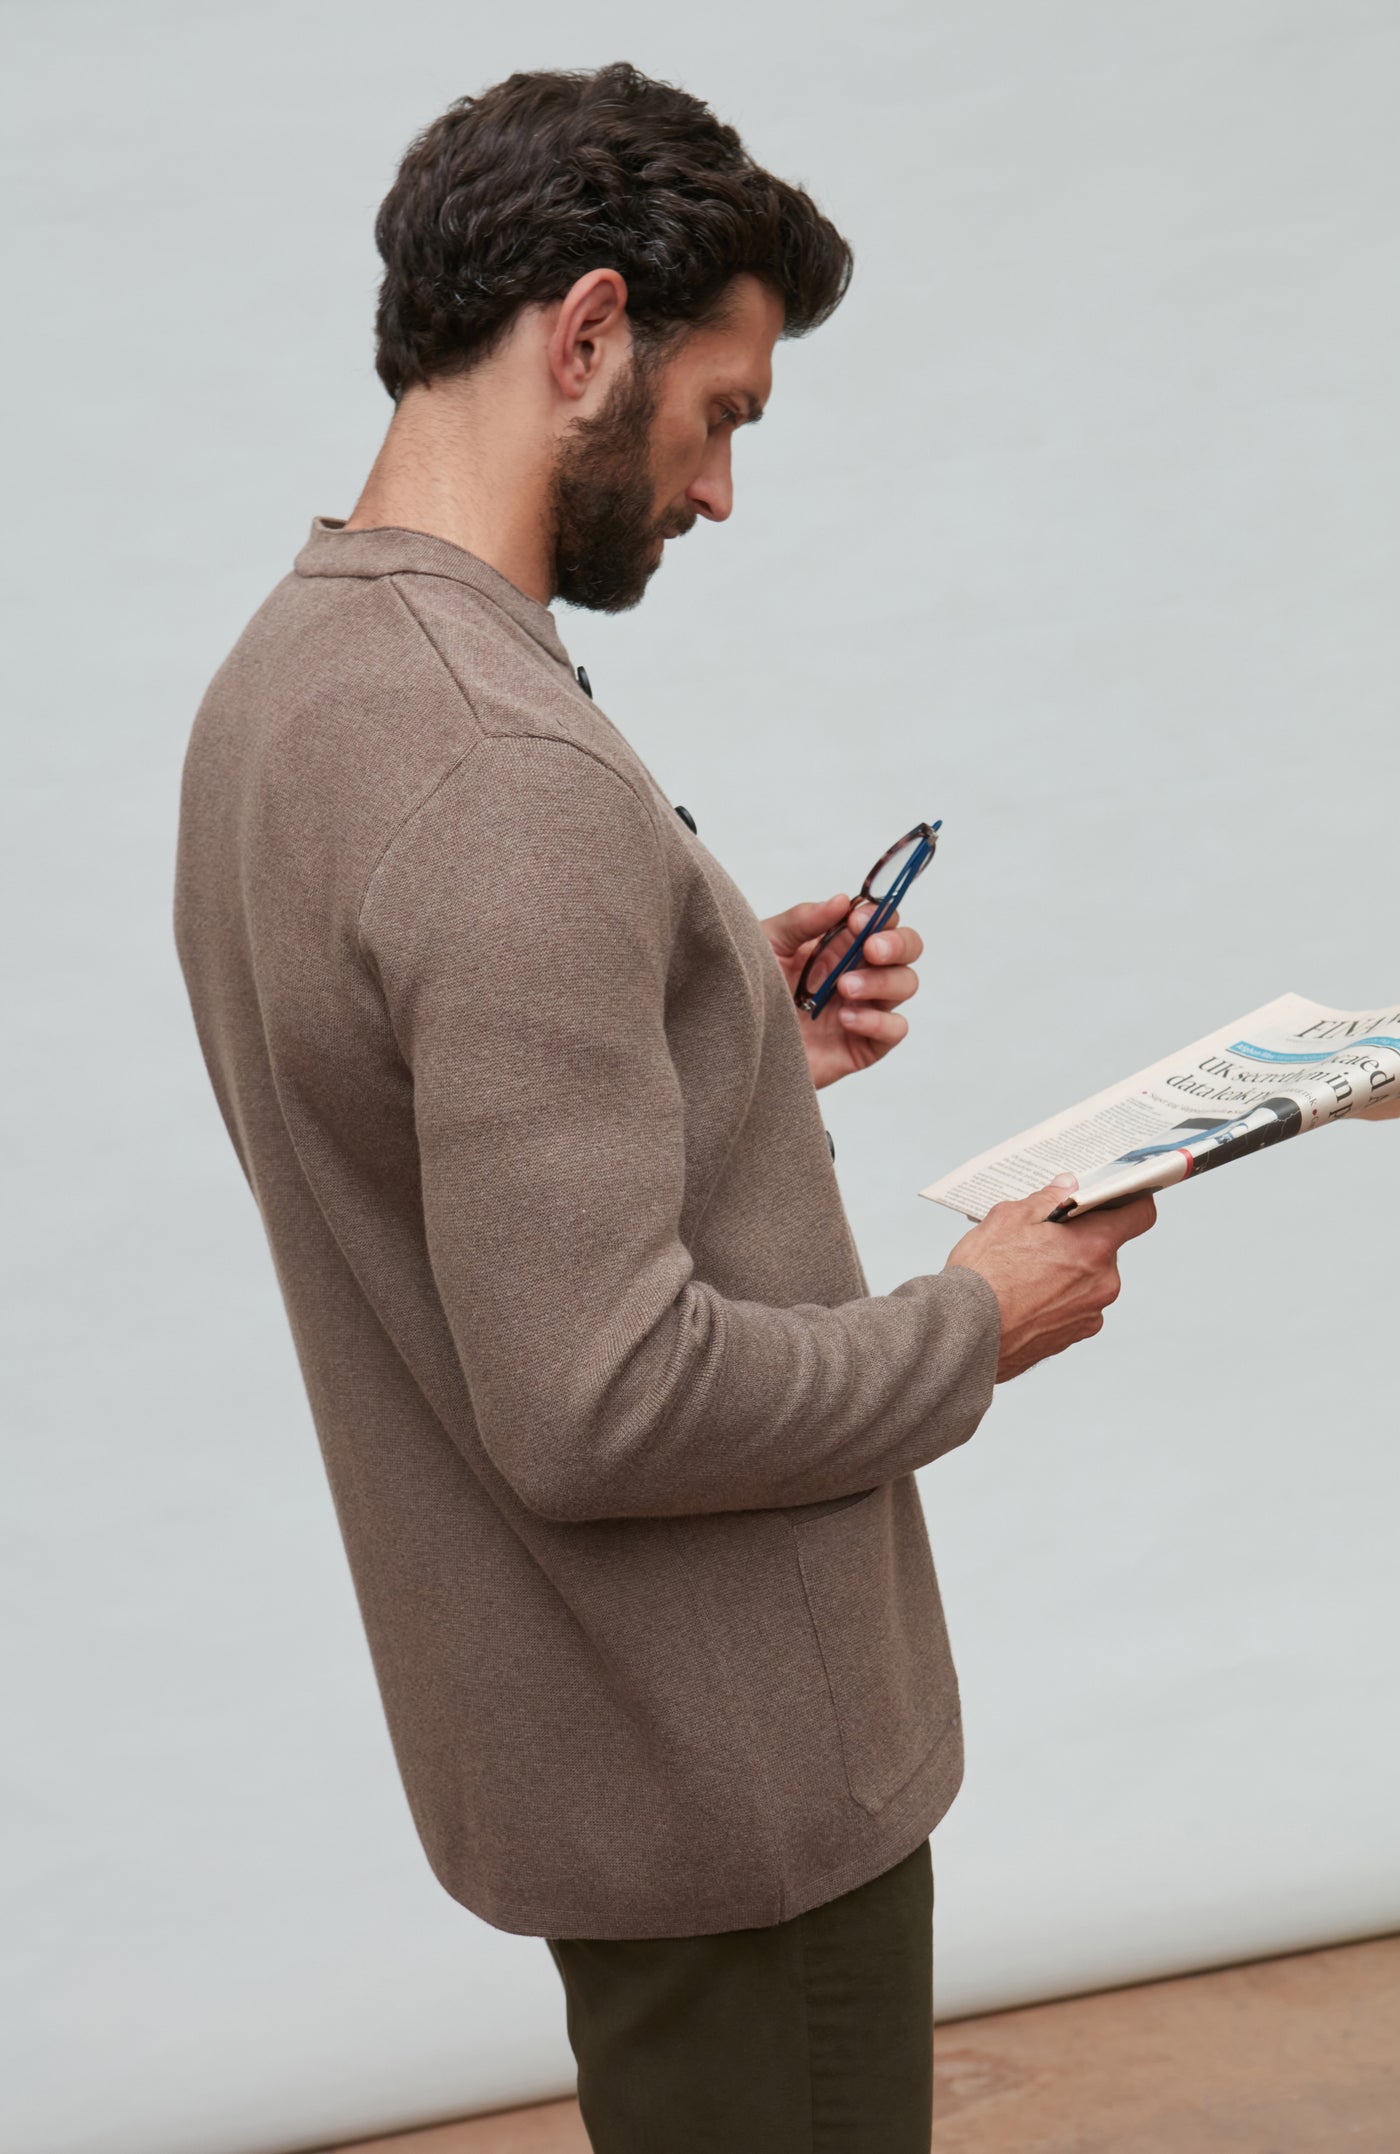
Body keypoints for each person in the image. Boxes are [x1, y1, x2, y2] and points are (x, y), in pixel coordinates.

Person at [174, 62, 1155, 2153]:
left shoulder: (288, 681)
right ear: (591, 333)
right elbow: (599, 1400)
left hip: (590, 1746)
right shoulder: (497, 767)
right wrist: (978, 1321)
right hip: (733, 1790)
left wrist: (715, 1031)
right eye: (724, 416)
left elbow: (403, 1101)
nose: (720, 493)